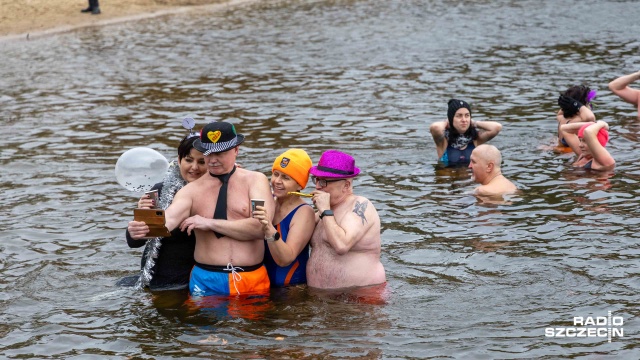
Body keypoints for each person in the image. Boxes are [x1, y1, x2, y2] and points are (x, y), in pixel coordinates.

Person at [127, 121, 276, 297]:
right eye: (208, 153)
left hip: (251, 277)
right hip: (206, 280)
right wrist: (141, 228)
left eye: (220, 153)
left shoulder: (256, 181)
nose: (212, 160)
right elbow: (169, 219)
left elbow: (260, 228)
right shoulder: (190, 190)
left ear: (236, 150)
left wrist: (209, 223)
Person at [124, 131, 206, 291]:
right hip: (153, 279)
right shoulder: (161, 190)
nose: (194, 167)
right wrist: (138, 225)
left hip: (190, 285)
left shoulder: (218, 193)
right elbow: (134, 242)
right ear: (178, 160)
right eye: (188, 160)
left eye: (202, 162)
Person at [306, 150, 386, 289]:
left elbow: (341, 245)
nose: (318, 186)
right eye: (316, 179)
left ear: (346, 185)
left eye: (324, 181)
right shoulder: (322, 211)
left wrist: (325, 210)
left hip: (361, 297)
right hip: (323, 299)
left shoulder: (361, 206)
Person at [253, 149, 316, 287]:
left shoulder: (304, 213)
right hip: (261, 286)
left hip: (290, 292)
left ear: (300, 185)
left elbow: (286, 259)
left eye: (286, 178)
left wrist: (269, 228)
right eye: (276, 174)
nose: (277, 181)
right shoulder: (268, 202)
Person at [430, 99, 502, 167]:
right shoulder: (443, 141)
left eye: (467, 115)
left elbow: (497, 127)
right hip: (449, 178)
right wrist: (447, 122)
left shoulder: (475, 139)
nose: (464, 120)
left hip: (470, 178)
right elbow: (435, 127)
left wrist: (474, 123)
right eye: (459, 116)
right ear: (451, 119)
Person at [556, 85, 596, 154]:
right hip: (572, 155)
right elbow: (590, 117)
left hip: (564, 153)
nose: (590, 104)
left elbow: (560, 113)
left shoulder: (562, 118)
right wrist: (577, 105)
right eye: (588, 102)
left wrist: (567, 104)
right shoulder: (578, 121)